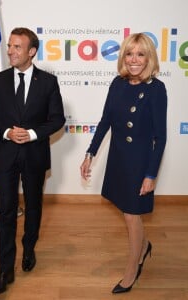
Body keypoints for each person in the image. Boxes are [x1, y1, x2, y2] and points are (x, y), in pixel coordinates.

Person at [80, 33, 167, 294]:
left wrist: (151, 174)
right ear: (123, 57)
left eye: (140, 54)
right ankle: (144, 245)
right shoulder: (117, 84)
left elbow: (160, 137)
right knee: (127, 211)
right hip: (119, 158)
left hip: (139, 162)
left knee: (131, 215)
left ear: (149, 58)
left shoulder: (156, 89)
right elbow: (106, 120)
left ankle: (132, 268)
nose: (134, 60)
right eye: (129, 54)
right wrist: (90, 153)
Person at [0, 27, 65, 295]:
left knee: (33, 207)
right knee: (5, 211)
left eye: (17, 47)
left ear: (31, 51)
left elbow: (57, 119)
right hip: (5, 155)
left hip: (34, 155)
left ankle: (29, 248)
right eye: (9, 46)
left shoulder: (49, 82)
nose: (10, 51)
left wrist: (30, 134)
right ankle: (5, 269)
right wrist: (7, 132)